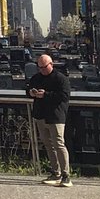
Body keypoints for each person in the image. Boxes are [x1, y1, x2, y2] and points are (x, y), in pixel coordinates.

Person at [28, 53, 72, 187]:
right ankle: (55, 172)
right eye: (39, 67)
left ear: (51, 65)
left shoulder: (60, 78)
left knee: (59, 144)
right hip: (40, 115)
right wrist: (31, 92)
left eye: (44, 67)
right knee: (48, 145)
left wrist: (45, 95)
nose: (41, 70)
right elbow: (28, 89)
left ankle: (66, 175)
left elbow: (64, 96)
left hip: (55, 116)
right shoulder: (36, 78)